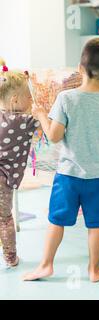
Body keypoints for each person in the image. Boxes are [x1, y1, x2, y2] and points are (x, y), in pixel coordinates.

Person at [23, 38, 99, 282]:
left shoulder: (66, 99)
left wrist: (40, 115)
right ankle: (94, 270)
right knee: (96, 225)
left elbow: (55, 136)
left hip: (69, 175)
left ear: (80, 69)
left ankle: (46, 265)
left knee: (56, 221)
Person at [0, 58, 39, 268]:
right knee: (4, 219)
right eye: (29, 98)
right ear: (15, 100)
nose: (32, 102)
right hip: (2, 179)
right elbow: (48, 120)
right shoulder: (23, 121)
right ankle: (10, 257)